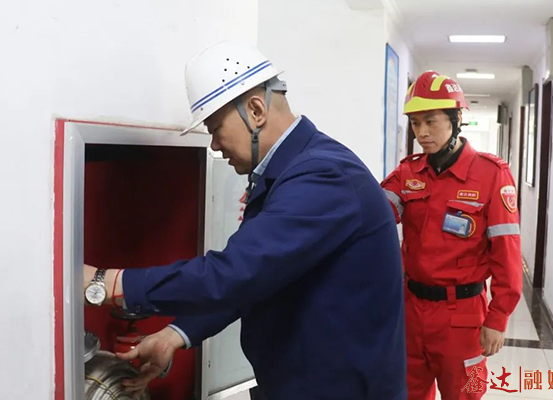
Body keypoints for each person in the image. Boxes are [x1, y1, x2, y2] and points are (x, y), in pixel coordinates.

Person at [83, 41, 407, 400]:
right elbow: (261, 279)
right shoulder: (290, 172)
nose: (214, 145)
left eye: (215, 128)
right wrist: (176, 334)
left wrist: (109, 283)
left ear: (255, 110)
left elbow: (235, 273)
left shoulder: (323, 177)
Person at [381, 71, 522, 399]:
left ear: (456, 119)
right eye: (415, 123)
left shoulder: (491, 175)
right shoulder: (408, 172)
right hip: (411, 310)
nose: (422, 133)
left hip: (463, 317)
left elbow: (507, 252)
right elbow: (372, 215)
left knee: (466, 394)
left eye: (431, 121)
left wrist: (498, 318)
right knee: (404, 393)